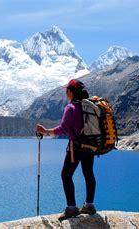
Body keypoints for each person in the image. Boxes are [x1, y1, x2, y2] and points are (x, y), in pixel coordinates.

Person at [36, 79, 97, 221]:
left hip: (75, 147)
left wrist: (45, 131)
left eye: (67, 90)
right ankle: (89, 205)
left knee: (66, 175)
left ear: (70, 92)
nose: (66, 92)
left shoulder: (71, 108)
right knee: (88, 173)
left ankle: (71, 208)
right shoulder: (88, 107)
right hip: (90, 145)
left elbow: (63, 129)